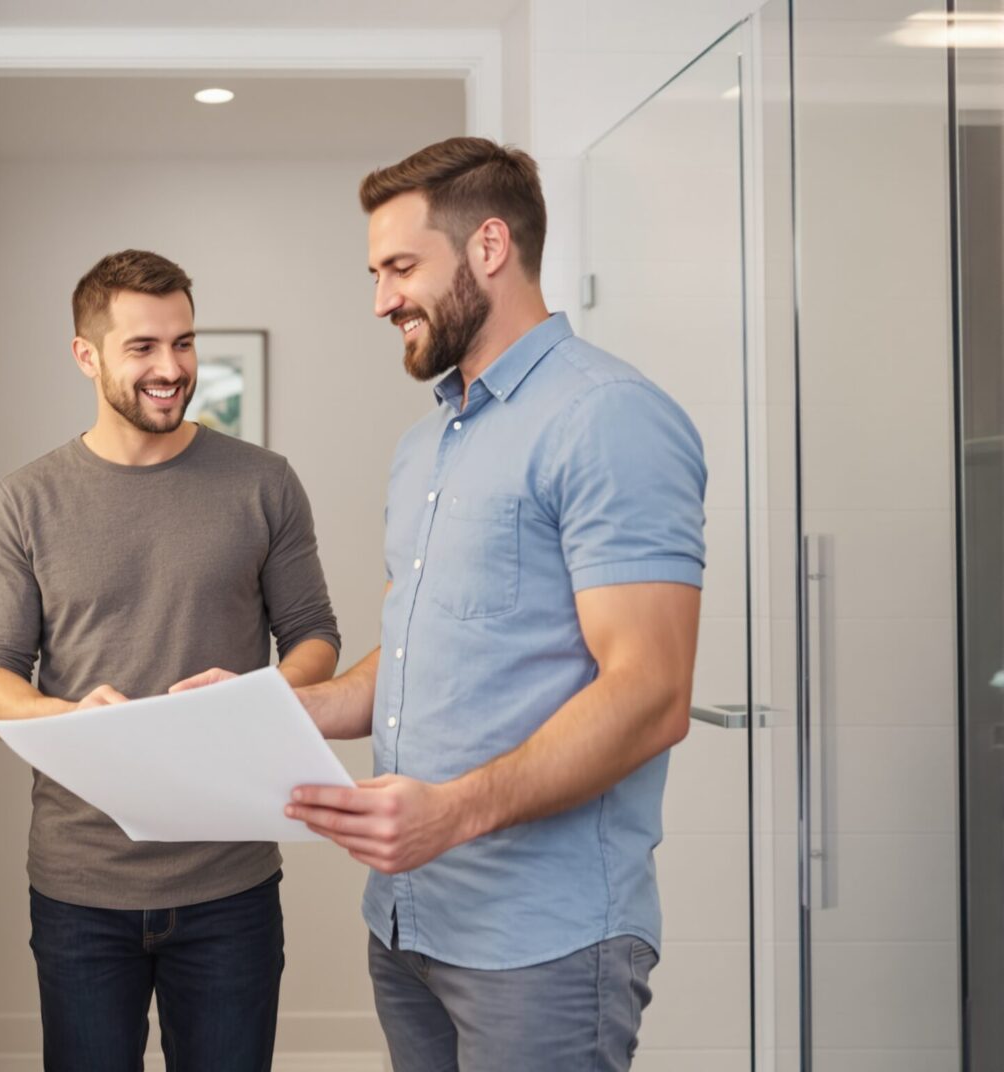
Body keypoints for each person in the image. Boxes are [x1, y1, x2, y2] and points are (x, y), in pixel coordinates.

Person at [284, 137, 706, 1071]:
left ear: (488, 246)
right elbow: (416, 655)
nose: (382, 300)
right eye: (376, 274)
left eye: (401, 268)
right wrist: (279, 708)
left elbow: (651, 692)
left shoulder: (607, 417)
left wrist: (452, 814)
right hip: (408, 922)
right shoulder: (424, 447)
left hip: (541, 944)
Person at [0, 249, 341, 1072]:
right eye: (143, 347)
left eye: (184, 342)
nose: (171, 369)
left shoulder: (264, 483)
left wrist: (254, 695)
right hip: (80, 888)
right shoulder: (27, 500)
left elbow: (315, 637)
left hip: (229, 882)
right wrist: (73, 718)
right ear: (86, 354)